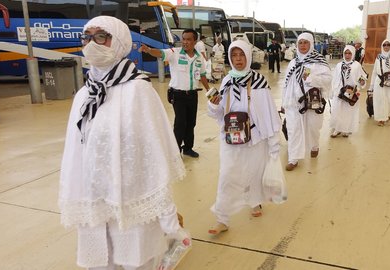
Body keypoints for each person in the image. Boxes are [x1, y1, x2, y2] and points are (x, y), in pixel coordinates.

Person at [59, 16, 188, 270]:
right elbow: (74, 156)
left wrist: (168, 217)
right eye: (87, 37)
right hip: (96, 205)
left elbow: (154, 158)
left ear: (118, 41)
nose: (92, 44)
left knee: (136, 262)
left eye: (100, 37)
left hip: (131, 205)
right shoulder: (85, 95)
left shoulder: (137, 90)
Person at [206, 40, 282, 235]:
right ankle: (222, 218)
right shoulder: (226, 81)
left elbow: (268, 113)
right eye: (234, 55)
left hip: (254, 138)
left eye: (241, 55)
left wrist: (274, 143)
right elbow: (218, 113)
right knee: (227, 175)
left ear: (248, 56)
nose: (238, 59)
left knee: (255, 172)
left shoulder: (259, 81)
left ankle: (255, 202)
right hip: (231, 137)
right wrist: (214, 105)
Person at [140, 29, 211, 158]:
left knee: (191, 123)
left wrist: (209, 91)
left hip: (193, 95)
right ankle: (175, 150)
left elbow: (202, 75)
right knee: (180, 122)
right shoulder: (175, 53)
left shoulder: (199, 58)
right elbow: (161, 53)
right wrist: (149, 50)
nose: (185, 42)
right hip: (178, 95)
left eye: (189, 39)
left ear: (195, 41)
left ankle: (188, 148)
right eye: (183, 39)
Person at [282, 32, 331, 171]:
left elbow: (327, 80)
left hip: (311, 101)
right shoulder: (293, 62)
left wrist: (310, 78)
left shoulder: (319, 61)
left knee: (313, 127)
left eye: (305, 42)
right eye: (300, 42)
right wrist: (284, 103)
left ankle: (314, 145)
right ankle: (294, 158)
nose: (303, 45)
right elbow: (287, 83)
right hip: (293, 102)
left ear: (311, 44)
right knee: (293, 129)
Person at [329, 45, 367, 138]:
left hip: (350, 91)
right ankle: (337, 129)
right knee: (337, 110)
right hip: (339, 91)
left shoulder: (357, 65)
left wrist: (361, 83)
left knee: (348, 111)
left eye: (349, 53)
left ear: (353, 54)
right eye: (346, 53)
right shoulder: (339, 65)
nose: (347, 55)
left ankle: (345, 129)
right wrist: (332, 90)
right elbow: (335, 78)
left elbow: (362, 77)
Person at [368, 39, 390, 126]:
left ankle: (387, 114)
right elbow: (375, 71)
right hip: (380, 81)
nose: (386, 46)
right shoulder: (379, 57)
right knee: (380, 100)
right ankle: (381, 118)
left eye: (388, 45)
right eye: (384, 45)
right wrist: (371, 86)